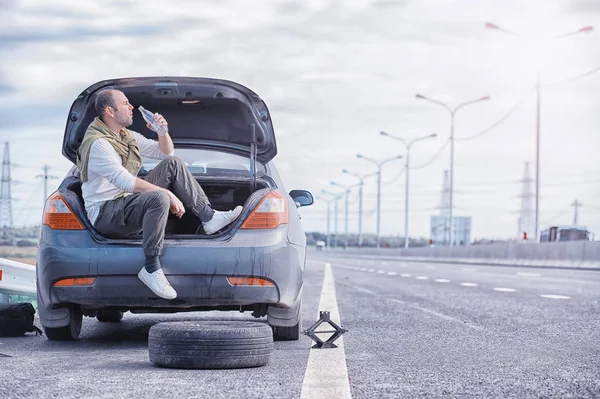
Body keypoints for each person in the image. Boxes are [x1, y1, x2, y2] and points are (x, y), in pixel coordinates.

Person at [76, 89, 242, 300]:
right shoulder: (99, 144)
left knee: (173, 164)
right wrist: (167, 193)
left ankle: (208, 217)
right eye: (126, 103)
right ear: (110, 110)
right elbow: (125, 181)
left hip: (125, 202)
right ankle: (151, 268)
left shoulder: (126, 137)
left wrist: (162, 131)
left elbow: (165, 153)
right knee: (159, 197)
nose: (131, 107)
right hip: (106, 214)